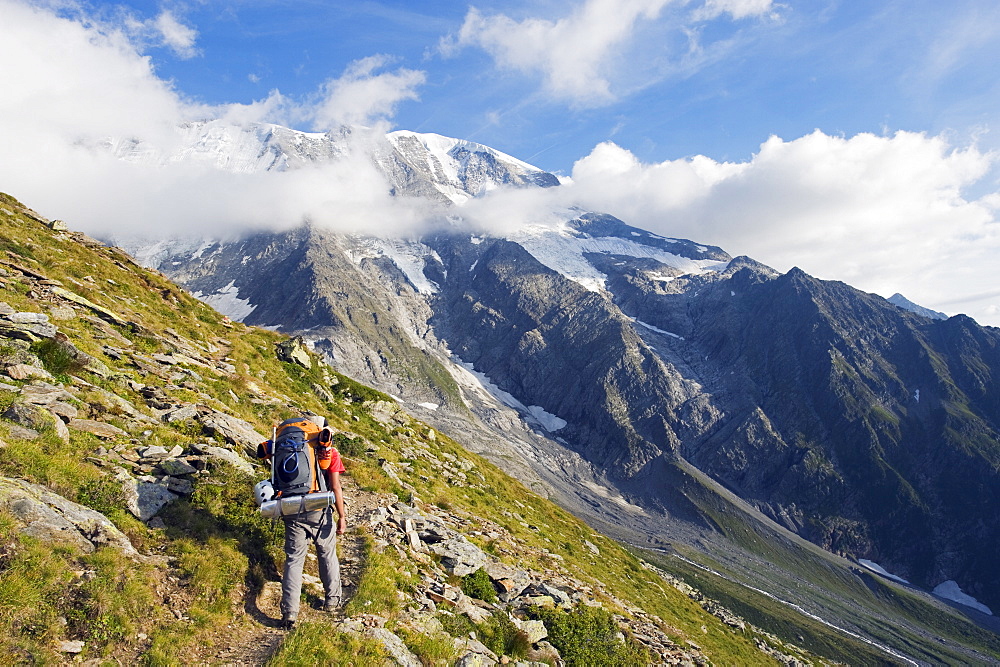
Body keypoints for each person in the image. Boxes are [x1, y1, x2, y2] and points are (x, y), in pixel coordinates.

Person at [257, 415, 347, 628]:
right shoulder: (328, 451)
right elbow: (335, 487)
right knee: (326, 553)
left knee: (294, 560)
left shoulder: (283, 446)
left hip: (290, 506)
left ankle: (290, 613)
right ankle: (332, 600)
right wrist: (342, 516)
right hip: (318, 507)